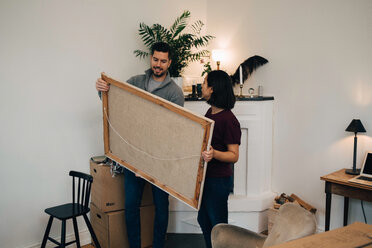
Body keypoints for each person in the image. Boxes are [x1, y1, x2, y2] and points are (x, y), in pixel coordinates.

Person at [96, 42, 184, 248]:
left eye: (163, 61)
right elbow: (112, 99)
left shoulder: (175, 92)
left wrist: (150, 162)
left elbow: (174, 132)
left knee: (161, 208)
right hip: (132, 158)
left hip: (159, 162)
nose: (158, 64)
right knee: (130, 207)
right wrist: (101, 90)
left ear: (169, 62)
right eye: (155, 59)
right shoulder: (135, 81)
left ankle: (157, 246)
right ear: (151, 58)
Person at [198, 70, 241, 248]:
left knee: (219, 227)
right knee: (204, 220)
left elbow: (234, 155)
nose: (202, 86)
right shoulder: (210, 111)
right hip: (207, 178)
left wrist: (214, 154)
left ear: (212, 89)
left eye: (204, 82)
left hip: (219, 181)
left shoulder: (229, 120)